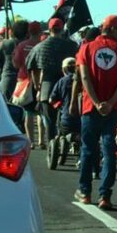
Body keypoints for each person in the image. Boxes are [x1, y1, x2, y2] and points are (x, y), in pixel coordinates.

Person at [74, 13, 117, 209]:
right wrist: (110, 102)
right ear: (112, 29)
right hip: (113, 109)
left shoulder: (86, 48)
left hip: (90, 108)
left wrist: (97, 102)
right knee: (109, 152)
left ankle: (85, 192)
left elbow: (85, 79)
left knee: (88, 150)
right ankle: (105, 195)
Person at [27, 17, 80, 148]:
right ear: (62, 29)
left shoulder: (40, 47)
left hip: (47, 88)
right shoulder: (72, 46)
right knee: (71, 118)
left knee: (50, 121)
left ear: (49, 29)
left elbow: (32, 67)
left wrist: (37, 86)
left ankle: (52, 145)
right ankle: (70, 143)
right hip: (70, 87)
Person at [0, 20, 27, 99]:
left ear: (12, 31)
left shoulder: (6, 43)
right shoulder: (27, 44)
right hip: (23, 81)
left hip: (8, 79)